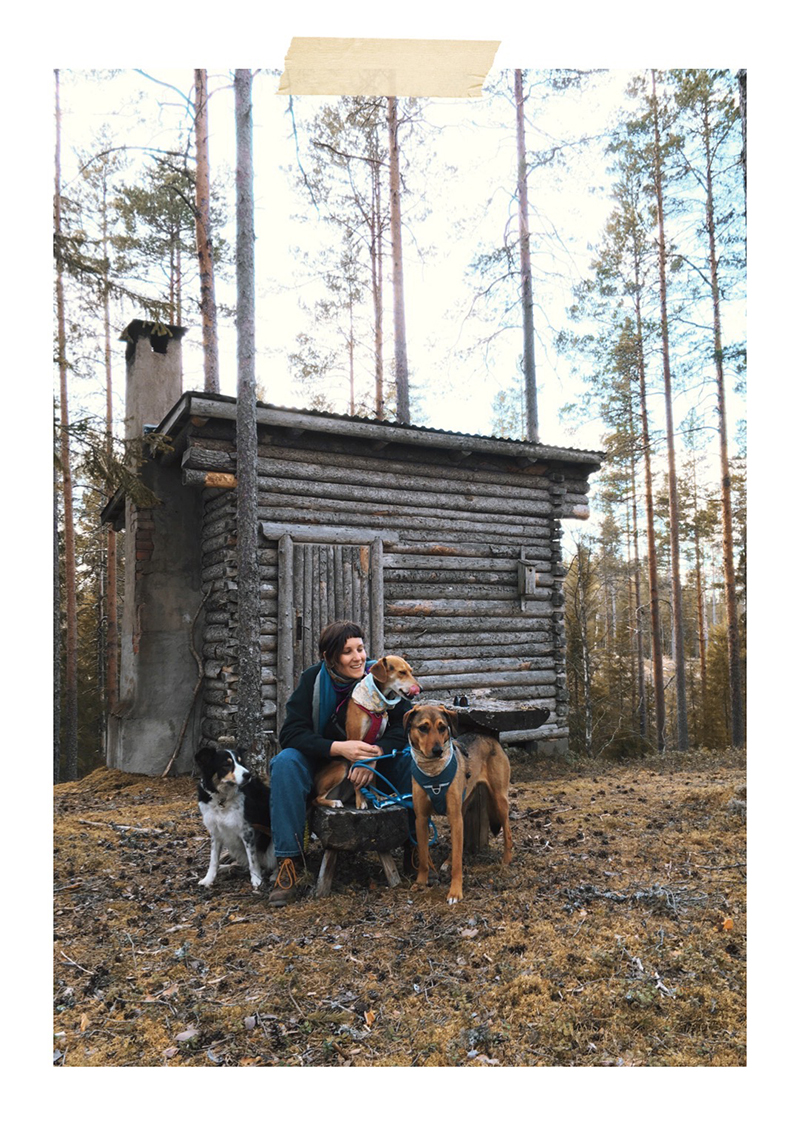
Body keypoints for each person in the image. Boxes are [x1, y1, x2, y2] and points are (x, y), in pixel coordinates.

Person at [268, 620, 413, 906]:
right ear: (330, 657)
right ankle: (288, 863)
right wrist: (338, 748)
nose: (358, 657)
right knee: (285, 763)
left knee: (412, 762)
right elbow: (291, 733)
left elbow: (403, 727)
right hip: (325, 763)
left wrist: (374, 753)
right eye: (347, 652)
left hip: (376, 761)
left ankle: (418, 850)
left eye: (360, 648)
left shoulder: (381, 674)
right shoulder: (313, 680)